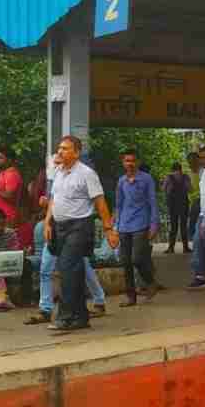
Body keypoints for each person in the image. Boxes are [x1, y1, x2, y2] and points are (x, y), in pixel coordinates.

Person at [45, 136, 119, 334]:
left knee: (66, 269)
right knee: (74, 273)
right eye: (59, 148)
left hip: (79, 226)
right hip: (60, 227)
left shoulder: (87, 174)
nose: (60, 152)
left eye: (65, 149)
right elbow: (54, 200)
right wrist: (47, 222)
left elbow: (100, 202)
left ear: (76, 153)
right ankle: (80, 317)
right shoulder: (58, 172)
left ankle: (65, 316)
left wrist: (109, 229)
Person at [114, 149, 160, 307]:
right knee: (125, 261)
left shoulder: (146, 179)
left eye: (133, 161)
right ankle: (130, 296)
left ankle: (149, 281)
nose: (130, 164)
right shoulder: (121, 181)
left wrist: (154, 224)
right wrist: (116, 226)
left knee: (138, 258)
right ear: (123, 163)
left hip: (141, 223)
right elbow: (119, 204)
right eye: (127, 161)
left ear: (137, 162)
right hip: (124, 225)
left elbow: (153, 202)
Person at [186, 145, 205, 290]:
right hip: (203, 214)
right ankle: (201, 276)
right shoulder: (203, 172)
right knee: (198, 240)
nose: (202, 160)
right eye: (201, 157)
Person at [163, 162, 191, 255]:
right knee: (183, 226)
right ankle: (185, 248)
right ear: (180, 169)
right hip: (184, 203)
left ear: (172, 169)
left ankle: (171, 248)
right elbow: (189, 188)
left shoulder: (168, 177)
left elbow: (164, 189)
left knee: (173, 226)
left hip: (173, 205)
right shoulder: (185, 177)